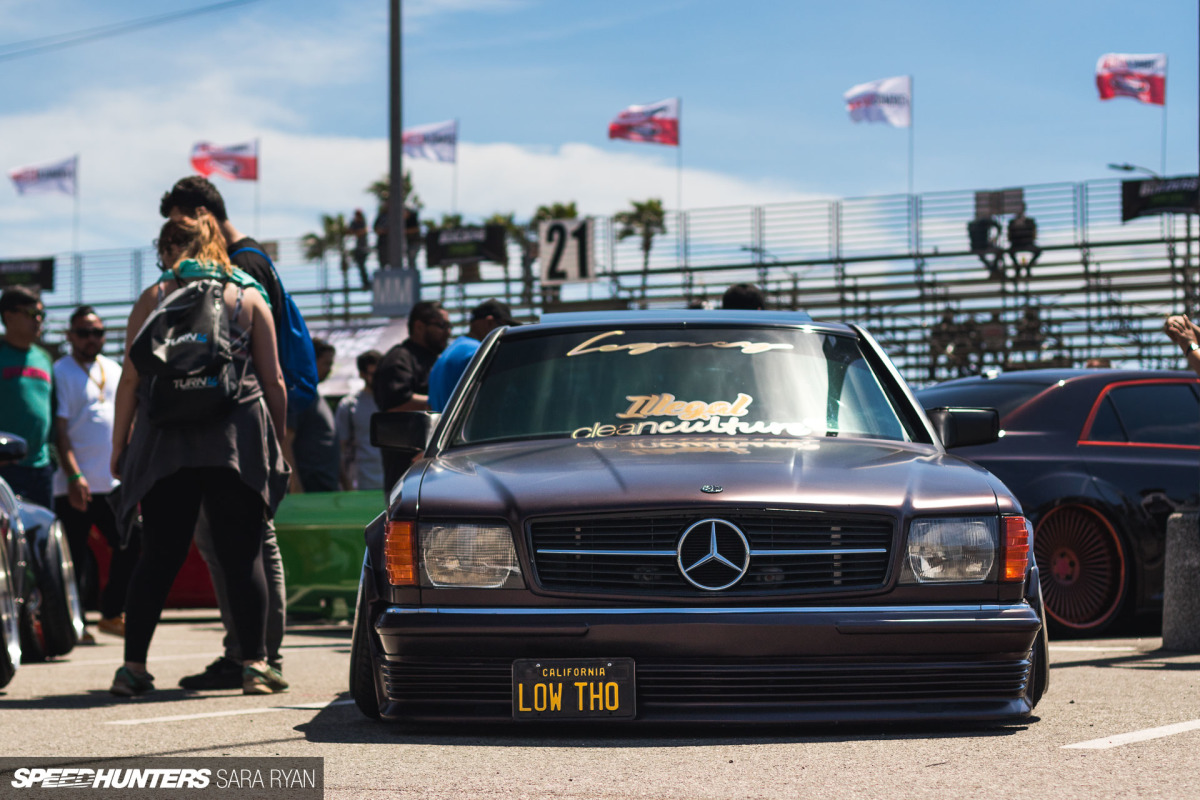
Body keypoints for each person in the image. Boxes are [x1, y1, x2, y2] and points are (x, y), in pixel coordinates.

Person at [109, 212, 289, 697]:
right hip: (234, 440)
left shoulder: (156, 296)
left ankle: (133, 668)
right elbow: (272, 379)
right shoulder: (247, 293)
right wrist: (282, 438)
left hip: (166, 442)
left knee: (159, 555)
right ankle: (255, 665)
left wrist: (120, 444)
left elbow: (131, 376)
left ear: (169, 249)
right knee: (242, 554)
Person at [159, 176, 292, 691]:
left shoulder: (243, 268)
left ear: (199, 214)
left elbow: (266, 366)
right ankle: (245, 649)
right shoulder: (247, 262)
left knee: (251, 543)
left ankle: (258, 652)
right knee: (234, 545)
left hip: (240, 423)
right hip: (241, 425)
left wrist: (277, 439)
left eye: (177, 222)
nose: (172, 235)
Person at [53, 305, 135, 644]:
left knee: (131, 543)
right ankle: (75, 623)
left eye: (97, 332)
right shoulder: (59, 371)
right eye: (84, 332)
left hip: (112, 481)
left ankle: (112, 613)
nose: (91, 339)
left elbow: (127, 421)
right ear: (70, 336)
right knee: (72, 559)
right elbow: (59, 429)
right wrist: (73, 476)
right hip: (74, 484)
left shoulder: (114, 369)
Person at [374, 301, 451, 492]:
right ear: (419, 326)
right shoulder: (399, 358)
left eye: (450, 326)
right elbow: (396, 401)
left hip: (435, 466)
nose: (448, 332)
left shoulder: (436, 359)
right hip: (408, 473)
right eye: (442, 325)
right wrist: (449, 403)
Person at [0, 286, 54, 508]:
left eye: (42, 314)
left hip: (41, 468)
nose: (39, 320)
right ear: (9, 316)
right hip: (6, 469)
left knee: (43, 537)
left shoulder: (44, 358)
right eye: (32, 314)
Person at [428, 299, 519, 412]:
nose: (506, 333)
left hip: (446, 428)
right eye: (505, 326)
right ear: (489, 322)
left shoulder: (448, 353)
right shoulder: (478, 353)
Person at [287, 338, 339, 493]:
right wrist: (295, 486)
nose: (329, 369)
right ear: (310, 361)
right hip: (309, 487)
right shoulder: (298, 395)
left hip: (325, 486)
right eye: (326, 363)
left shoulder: (315, 395)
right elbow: (286, 441)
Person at [336, 349, 384, 491]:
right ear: (362, 375)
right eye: (374, 374)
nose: (379, 378)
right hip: (361, 484)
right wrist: (347, 485)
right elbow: (340, 448)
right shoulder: (349, 405)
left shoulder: (395, 402)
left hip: (394, 484)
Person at [348, 209, 371, 289]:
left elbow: (363, 231)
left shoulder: (363, 223)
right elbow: (350, 231)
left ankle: (367, 283)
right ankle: (365, 283)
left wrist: (357, 232)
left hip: (364, 248)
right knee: (360, 266)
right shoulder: (355, 223)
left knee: (363, 266)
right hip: (358, 248)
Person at [374, 202, 390, 269]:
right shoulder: (380, 216)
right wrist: (381, 231)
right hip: (381, 241)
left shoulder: (395, 215)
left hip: (391, 242)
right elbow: (375, 228)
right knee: (382, 260)